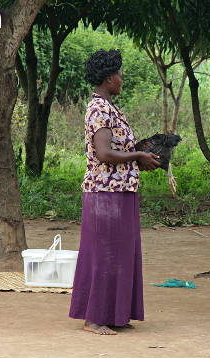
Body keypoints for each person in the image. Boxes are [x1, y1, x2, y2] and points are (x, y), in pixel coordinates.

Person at [68, 49, 161, 335]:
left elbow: (116, 150)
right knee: (104, 254)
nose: (123, 78)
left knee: (122, 254)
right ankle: (94, 318)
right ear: (109, 78)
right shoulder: (99, 109)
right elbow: (105, 153)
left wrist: (139, 156)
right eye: (120, 73)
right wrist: (136, 157)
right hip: (105, 194)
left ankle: (117, 314)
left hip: (119, 191)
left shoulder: (110, 108)